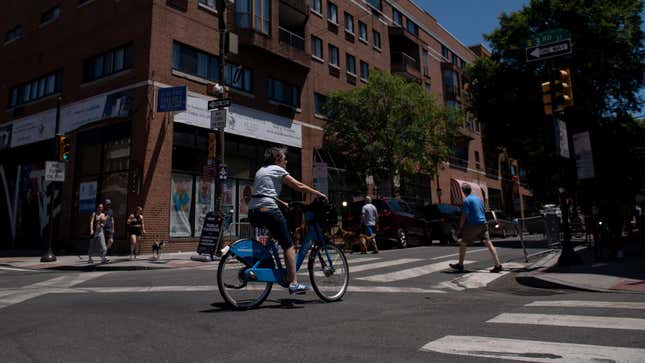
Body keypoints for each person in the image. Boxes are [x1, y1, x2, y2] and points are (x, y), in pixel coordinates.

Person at [248, 147, 327, 295]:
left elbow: (264, 192)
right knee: (288, 245)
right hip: (268, 209)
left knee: (278, 235)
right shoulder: (276, 169)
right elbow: (298, 185)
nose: (286, 161)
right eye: (284, 158)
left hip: (254, 210)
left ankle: (275, 266)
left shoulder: (261, 170)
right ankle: (294, 283)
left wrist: (283, 203)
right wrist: (318, 193)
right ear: (277, 159)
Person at [450, 183, 502, 273]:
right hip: (483, 223)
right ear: (470, 190)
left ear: (463, 192)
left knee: (463, 243)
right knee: (489, 243)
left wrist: (460, 227)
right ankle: (498, 265)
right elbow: (483, 211)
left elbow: (464, 215)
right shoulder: (479, 200)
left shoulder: (466, 201)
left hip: (474, 224)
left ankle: (460, 265)